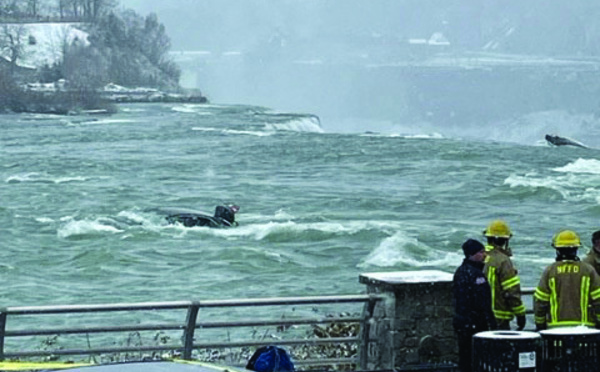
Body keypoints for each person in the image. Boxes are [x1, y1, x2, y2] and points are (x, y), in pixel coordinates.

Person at [534, 230, 600, 330]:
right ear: (576, 248)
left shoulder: (550, 271)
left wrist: (540, 323)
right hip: (584, 329)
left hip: (555, 330)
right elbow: (598, 300)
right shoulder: (588, 270)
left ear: (557, 249)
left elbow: (540, 301)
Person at [453, 239, 497, 372]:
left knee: (465, 357)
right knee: (477, 358)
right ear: (471, 254)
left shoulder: (461, 271)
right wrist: (490, 322)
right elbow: (482, 302)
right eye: (481, 252)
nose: (484, 255)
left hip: (464, 323)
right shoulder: (475, 274)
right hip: (475, 324)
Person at [482, 220, 526, 330]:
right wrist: (520, 314)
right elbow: (512, 292)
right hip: (499, 319)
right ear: (505, 240)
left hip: (479, 316)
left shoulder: (479, 256)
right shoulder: (503, 261)